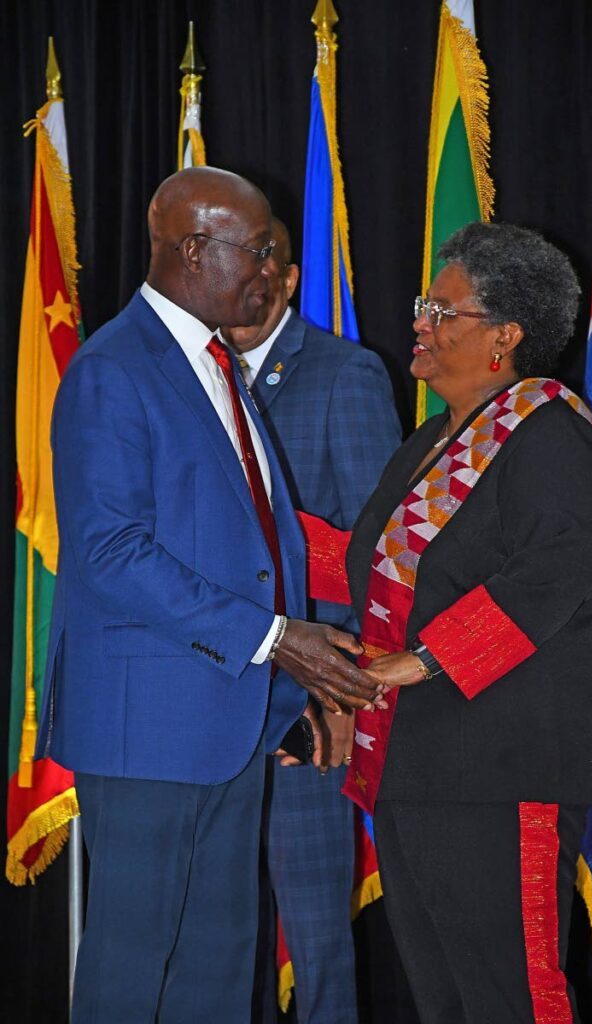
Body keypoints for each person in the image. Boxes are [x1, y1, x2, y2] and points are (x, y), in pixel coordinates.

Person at [36, 166, 384, 1024]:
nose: (274, 271)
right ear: (196, 249)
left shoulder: (214, 366)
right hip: (150, 730)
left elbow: (263, 545)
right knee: (135, 972)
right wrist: (275, 639)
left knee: (219, 973)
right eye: (260, 251)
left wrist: (292, 672)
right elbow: (110, 552)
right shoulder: (116, 369)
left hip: (231, 721)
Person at [302, 222, 592, 1024]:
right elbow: (367, 564)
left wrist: (415, 662)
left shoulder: (553, 434)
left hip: (505, 768)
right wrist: (240, 530)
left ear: (504, 335)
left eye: (439, 309)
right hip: (420, 766)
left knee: (514, 998)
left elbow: (559, 568)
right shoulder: (433, 444)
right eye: (425, 306)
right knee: (446, 998)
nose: (418, 321)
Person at [222, 218, 401, 1024]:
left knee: (317, 940)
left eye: (257, 270)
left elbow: (375, 560)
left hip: (307, 711)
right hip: (206, 712)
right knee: (218, 944)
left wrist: (337, 697)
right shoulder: (187, 381)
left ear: (289, 279)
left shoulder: (345, 373)